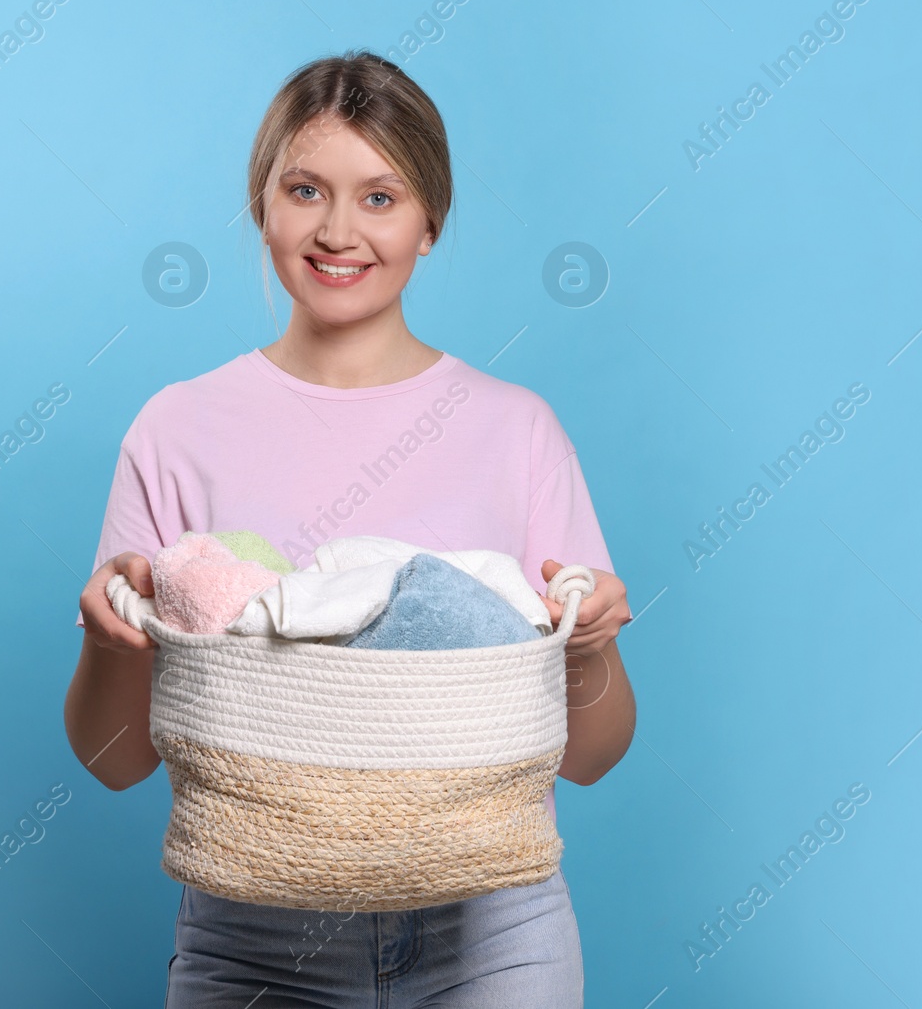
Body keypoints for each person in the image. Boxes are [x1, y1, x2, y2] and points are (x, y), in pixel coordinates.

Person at [64, 49, 635, 1008]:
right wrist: (115, 642)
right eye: (305, 190)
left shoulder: (517, 429)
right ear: (262, 204)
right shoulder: (176, 429)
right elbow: (114, 759)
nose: (337, 230)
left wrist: (587, 651)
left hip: (495, 935)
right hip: (251, 941)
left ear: (431, 221)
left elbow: (588, 754)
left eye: (380, 197)